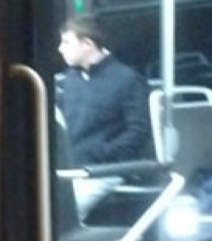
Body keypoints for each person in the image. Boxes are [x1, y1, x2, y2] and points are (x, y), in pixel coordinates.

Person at [56, 14, 153, 219]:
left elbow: (138, 133)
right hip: (70, 167)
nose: (60, 49)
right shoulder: (70, 81)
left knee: (60, 211)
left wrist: (97, 154)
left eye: (66, 42)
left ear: (87, 44)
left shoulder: (127, 80)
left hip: (106, 169)